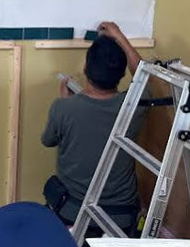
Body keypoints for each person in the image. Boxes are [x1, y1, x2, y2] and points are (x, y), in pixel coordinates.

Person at [41, 21, 148, 236]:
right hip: (120, 218)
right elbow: (144, 74)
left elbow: (48, 140)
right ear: (121, 74)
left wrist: (67, 102)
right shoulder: (134, 105)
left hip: (72, 213)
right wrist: (119, 36)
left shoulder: (63, 108)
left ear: (85, 69)